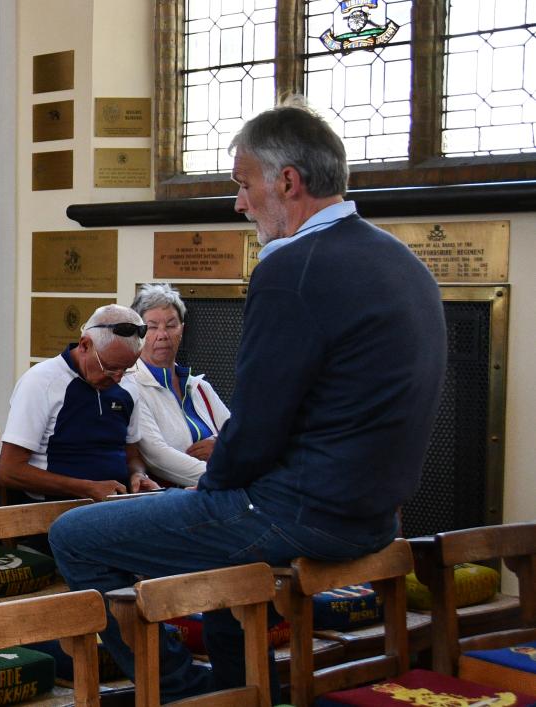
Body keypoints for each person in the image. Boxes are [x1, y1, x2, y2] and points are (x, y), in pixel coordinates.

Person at [48, 101, 447, 701]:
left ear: (287, 181)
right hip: (375, 516)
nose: (239, 203)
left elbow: (258, 424)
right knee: (215, 553)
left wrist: (210, 492)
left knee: (75, 536)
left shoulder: (291, 268)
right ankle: (238, 687)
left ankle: (183, 690)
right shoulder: (401, 260)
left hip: (300, 512)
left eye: (243, 184)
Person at [0, 304, 160, 502]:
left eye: (126, 368)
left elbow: (131, 455)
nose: (118, 378)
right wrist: (88, 489)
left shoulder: (128, 385)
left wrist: (138, 475)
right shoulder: (41, 382)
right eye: (110, 368)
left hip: (115, 502)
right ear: (84, 345)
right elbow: (9, 471)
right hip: (53, 507)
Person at [121, 283, 230, 488]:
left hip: (220, 490)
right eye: (152, 327)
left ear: (182, 330)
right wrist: (225, 476)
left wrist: (220, 444)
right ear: (138, 333)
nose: (163, 334)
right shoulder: (130, 386)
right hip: (174, 496)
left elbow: (238, 435)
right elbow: (158, 457)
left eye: (171, 325)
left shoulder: (200, 387)